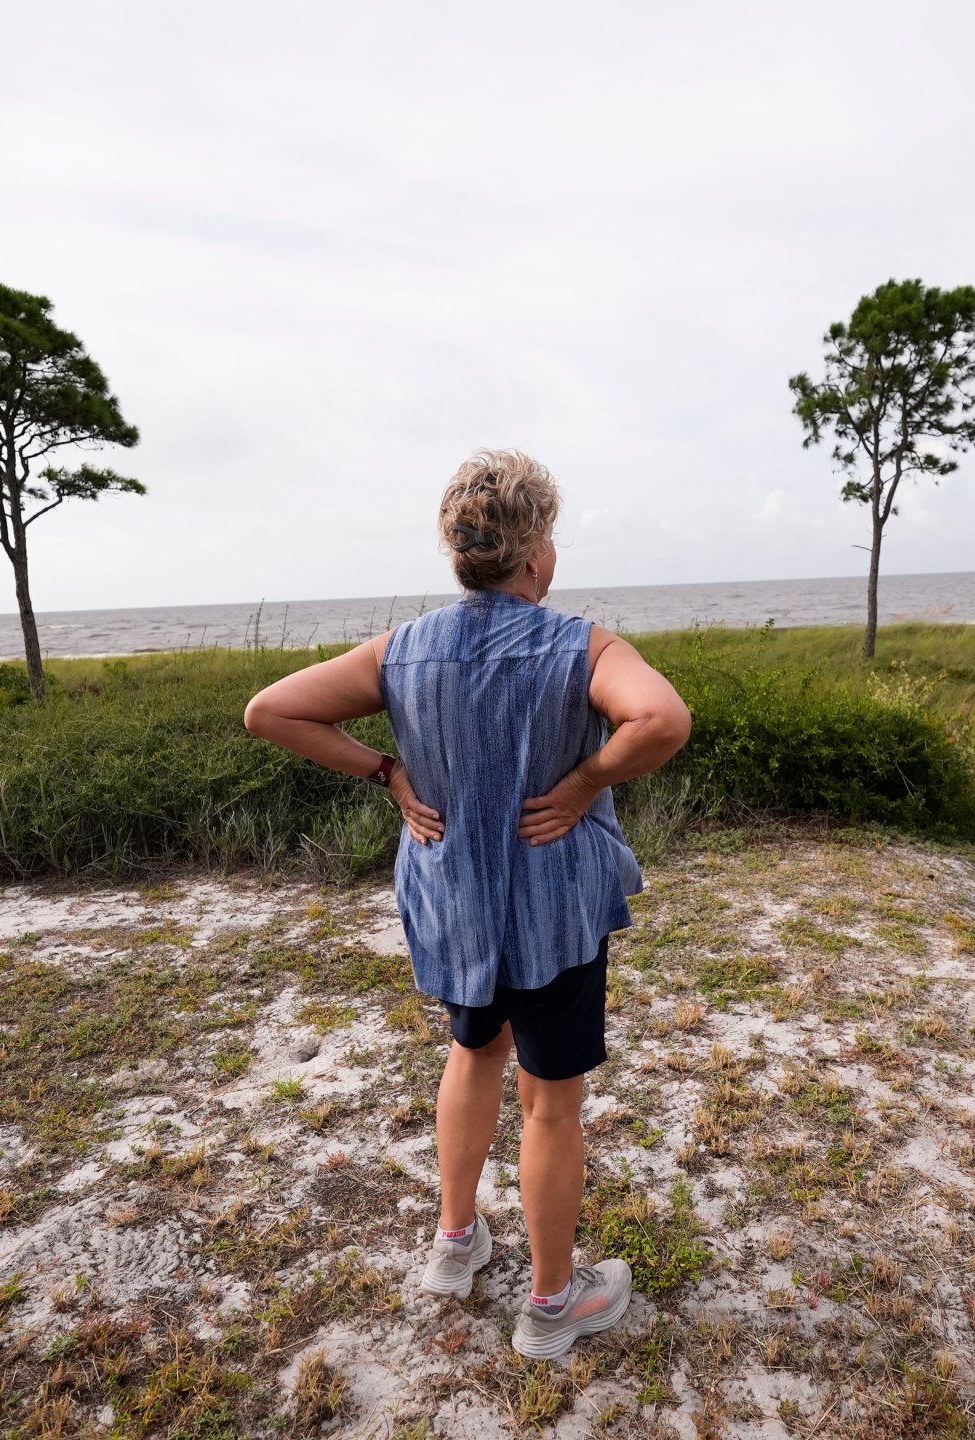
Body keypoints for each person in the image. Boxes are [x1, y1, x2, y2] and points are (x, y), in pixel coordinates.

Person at [242, 449, 691, 1359]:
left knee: (472, 1049)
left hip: (456, 908)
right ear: (533, 556)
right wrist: (584, 782)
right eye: (552, 537)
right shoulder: (582, 644)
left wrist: (384, 770)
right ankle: (553, 1306)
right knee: (551, 1104)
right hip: (552, 913)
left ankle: (455, 1245)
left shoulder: (403, 650)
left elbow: (271, 710)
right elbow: (663, 720)